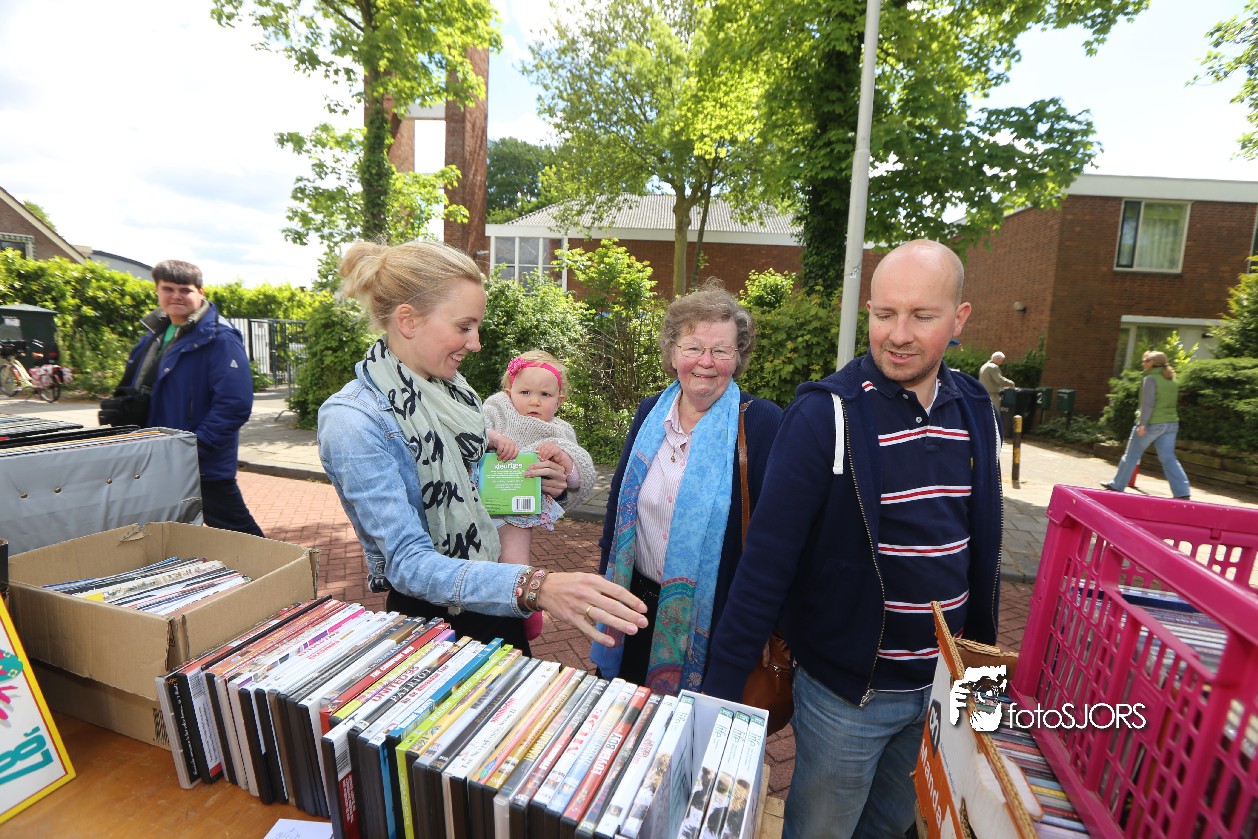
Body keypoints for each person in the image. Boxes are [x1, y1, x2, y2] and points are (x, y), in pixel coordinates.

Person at [704, 240, 1004, 839]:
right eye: (885, 313)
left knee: (893, 826)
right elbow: (765, 565)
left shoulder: (974, 407)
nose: (899, 334)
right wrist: (718, 698)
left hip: (942, 688)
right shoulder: (826, 415)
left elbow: (983, 550)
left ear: (959, 318)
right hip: (848, 696)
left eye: (922, 316)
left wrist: (981, 687)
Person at [317, 240, 647, 653]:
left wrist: (546, 482)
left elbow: (480, 488)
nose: (475, 343)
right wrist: (534, 586)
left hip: (499, 599)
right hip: (434, 626)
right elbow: (407, 563)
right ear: (408, 320)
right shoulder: (353, 419)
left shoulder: (454, 391)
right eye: (464, 327)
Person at [591, 283, 782, 695]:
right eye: (693, 348)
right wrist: (606, 590)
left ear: (738, 356)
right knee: (625, 717)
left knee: (689, 728)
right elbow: (617, 508)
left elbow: (775, 543)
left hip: (714, 622)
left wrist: (751, 630)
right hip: (631, 605)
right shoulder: (650, 413)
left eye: (721, 351)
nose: (706, 363)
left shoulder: (762, 423)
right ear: (673, 352)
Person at [108, 259, 264, 537]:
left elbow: (234, 405)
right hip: (155, 456)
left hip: (200, 464)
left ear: (200, 293)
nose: (176, 296)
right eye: (168, 289)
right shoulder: (155, 335)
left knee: (237, 533)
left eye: (185, 290)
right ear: (157, 291)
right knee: (169, 531)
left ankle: (273, 566)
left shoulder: (219, 338)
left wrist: (192, 449)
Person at [483, 350, 597, 639]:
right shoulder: (497, 409)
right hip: (479, 502)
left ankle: (521, 607)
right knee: (480, 562)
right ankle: (484, 601)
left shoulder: (558, 429)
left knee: (516, 563)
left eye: (545, 395)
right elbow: (472, 430)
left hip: (516, 512)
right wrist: (494, 438)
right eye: (525, 392)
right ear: (509, 392)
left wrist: (564, 461)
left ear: (559, 401)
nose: (534, 401)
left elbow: (579, 471)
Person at [1101, 350, 1191, 499]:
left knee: (1132, 455)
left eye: (1145, 361)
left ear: (1151, 363)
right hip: (1171, 424)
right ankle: (1182, 492)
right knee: (1169, 458)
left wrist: (1142, 424)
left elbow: (1147, 404)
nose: (1143, 364)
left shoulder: (1150, 379)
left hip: (1152, 424)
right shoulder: (1171, 379)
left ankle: (1117, 485)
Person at [978, 351, 1015, 417]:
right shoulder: (993, 367)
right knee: (994, 415)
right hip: (992, 395)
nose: (1001, 363)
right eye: (1001, 360)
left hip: (983, 394)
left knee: (984, 415)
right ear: (997, 359)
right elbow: (999, 380)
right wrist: (1011, 383)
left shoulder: (984, 366)